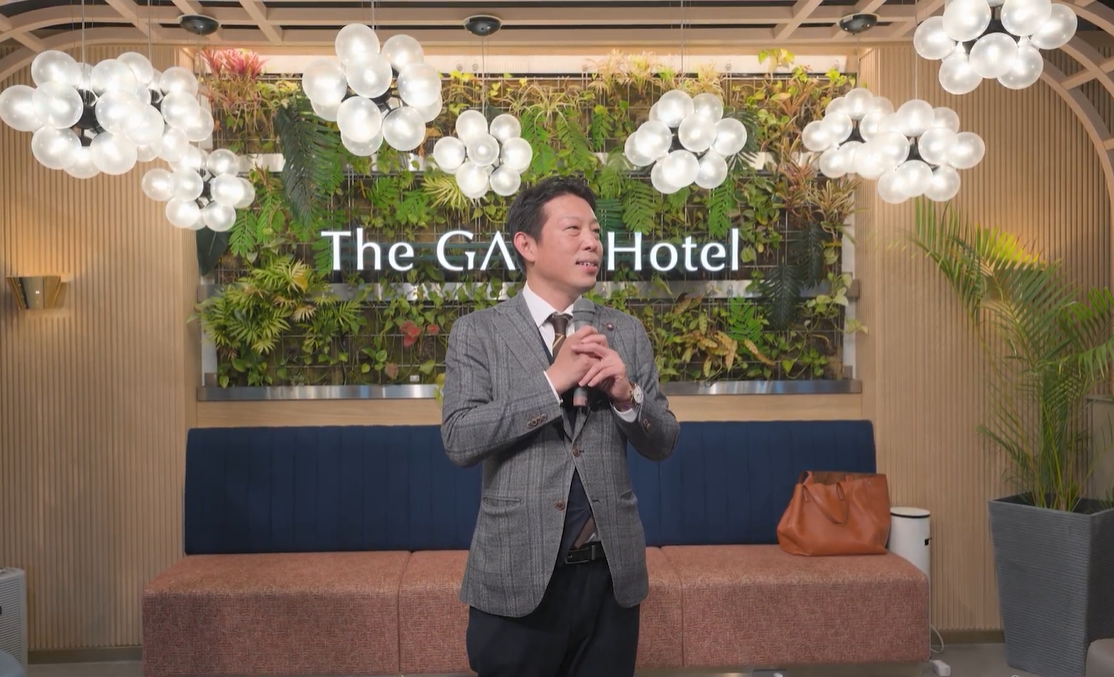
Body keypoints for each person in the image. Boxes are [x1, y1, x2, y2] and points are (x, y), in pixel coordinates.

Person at [440, 176, 681, 677]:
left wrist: (627, 396)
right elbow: (460, 439)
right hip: (516, 574)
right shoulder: (478, 333)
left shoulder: (625, 332)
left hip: (610, 580)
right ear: (526, 245)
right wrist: (552, 383)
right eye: (574, 229)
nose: (592, 243)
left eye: (595, 231)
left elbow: (663, 441)